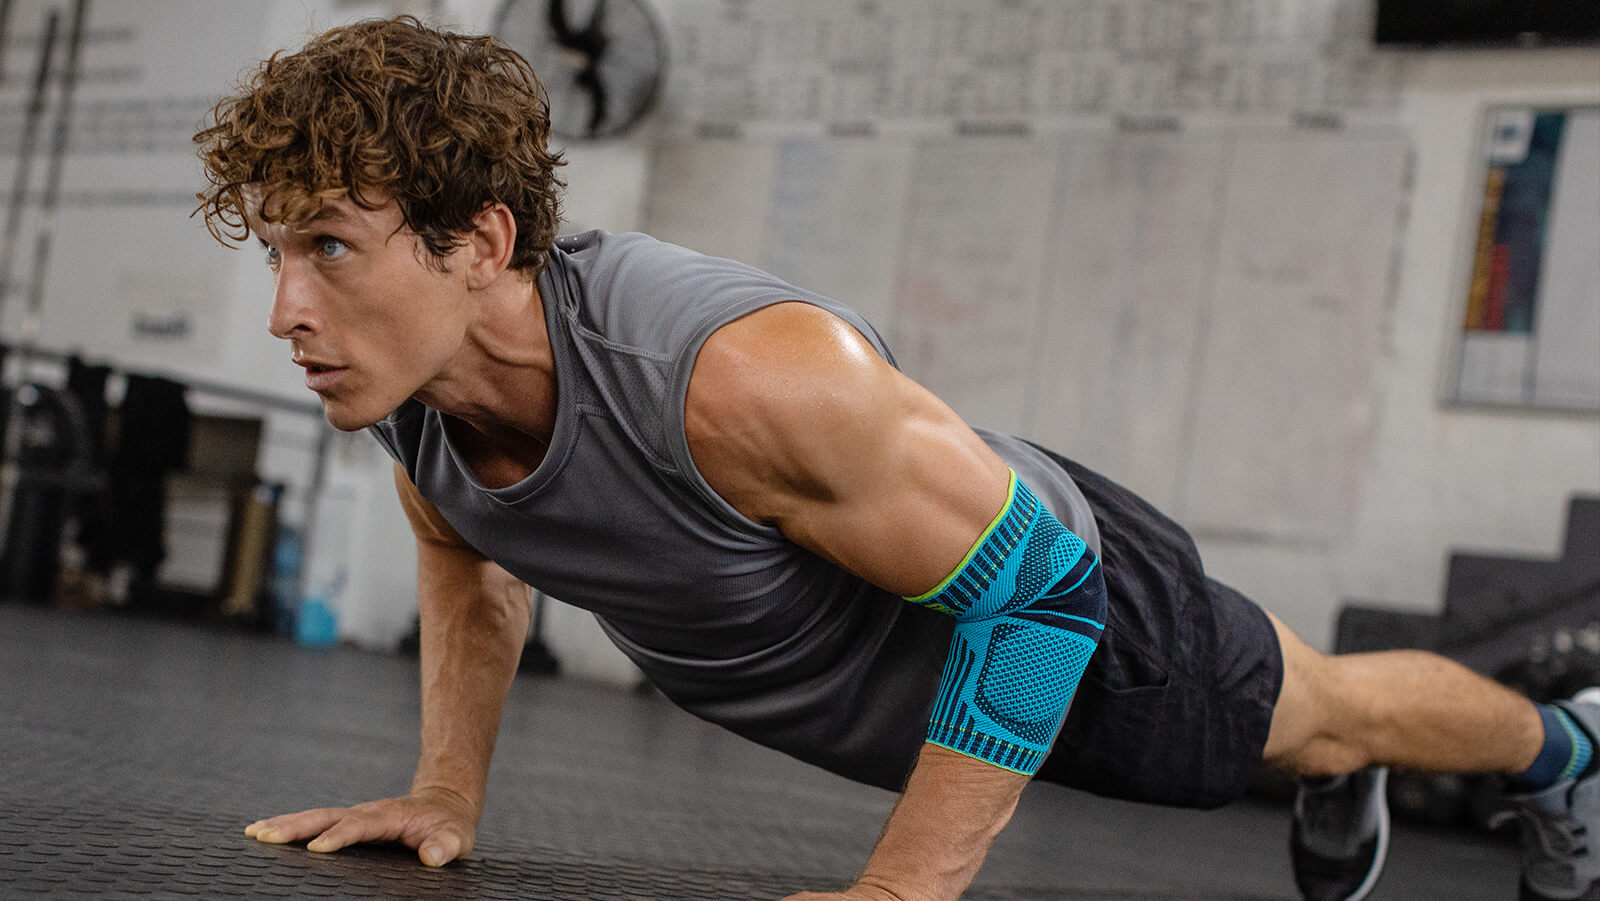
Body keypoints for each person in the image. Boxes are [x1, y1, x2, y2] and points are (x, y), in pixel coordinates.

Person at [194, 17, 1599, 901]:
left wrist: (906, 888)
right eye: (276, 253)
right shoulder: (415, 396)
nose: (285, 312)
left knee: (1326, 712)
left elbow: (1042, 601)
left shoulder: (737, 378)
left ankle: (1569, 749)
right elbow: (472, 557)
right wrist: (446, 790)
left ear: (483, 241)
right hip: (955, 556)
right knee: (1320, 707)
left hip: (1071, 610)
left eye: (329, 245)